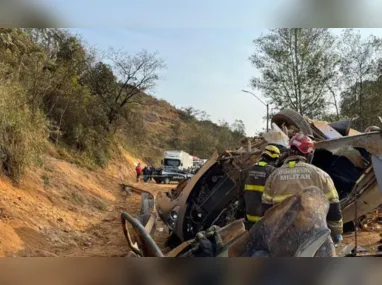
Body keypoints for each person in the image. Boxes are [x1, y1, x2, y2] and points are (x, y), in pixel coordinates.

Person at [261, 133, 343, 245]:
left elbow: (266, 211)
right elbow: (334, 207)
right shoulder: (320, 175)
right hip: (312, 236)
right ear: (309, 154)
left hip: (282, 237)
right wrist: (336, 233)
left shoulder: (274, 176)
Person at [242, 144, 280, 230]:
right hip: (264, 219)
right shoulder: (273, 172)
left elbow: (241, 195)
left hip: (248, 218)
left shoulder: (247, 171)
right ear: (275, 159)